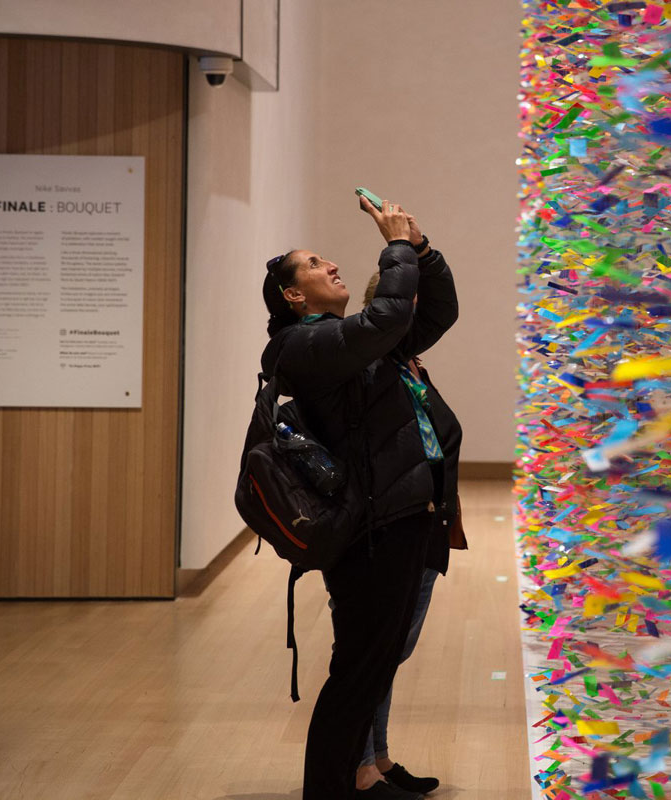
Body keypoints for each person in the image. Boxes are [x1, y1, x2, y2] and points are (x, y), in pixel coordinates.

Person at [260, 196, 462, 800]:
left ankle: (359, 774)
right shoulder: (303, 345)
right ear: (294, 296)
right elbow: (385, 320)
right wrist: (395, 249)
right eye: (315, 264)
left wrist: (421, 250)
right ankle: (333, 786)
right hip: (366, 533)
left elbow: (435, 313)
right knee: (355, 676)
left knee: (371, 667)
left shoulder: (350, 342)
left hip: (397, 522)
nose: (331, 266)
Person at [337, 272, 467, 794]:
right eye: (408, 304)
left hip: (423, 526)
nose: (419, 315)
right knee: (375, 653)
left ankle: (380, 758)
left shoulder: (410, 365)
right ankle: (363, 768)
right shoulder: (364, 362)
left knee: (392, 653)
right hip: (386, 530)